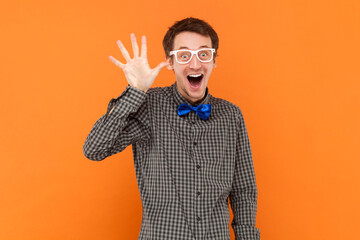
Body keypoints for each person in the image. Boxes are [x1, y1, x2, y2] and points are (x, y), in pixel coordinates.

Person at [83, 17, 260, 240]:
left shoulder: (231, 115)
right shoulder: (149, 105)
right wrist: (135, 92)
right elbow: (94, 149)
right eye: (184, 55)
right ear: (170, 62)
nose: (195, 64)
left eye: (203, 54)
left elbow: (243, 190)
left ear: (214, 60)